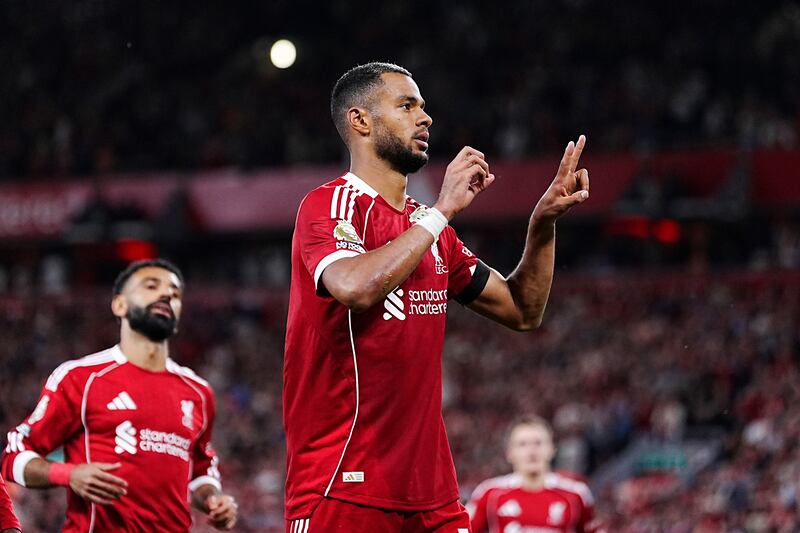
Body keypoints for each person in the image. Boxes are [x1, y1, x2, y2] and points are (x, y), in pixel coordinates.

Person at [283, 61, 590, 532]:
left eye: (424, 107)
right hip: (344, 483)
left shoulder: (431, 229)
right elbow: (354, 288)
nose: (425, 118)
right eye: (406, 106)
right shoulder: (330, 205)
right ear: (360, 121)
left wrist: (542, 227)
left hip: (433, 494)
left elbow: (522, 310)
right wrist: (442, 210)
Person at [1, 259, 237, 532]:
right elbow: (13, 456)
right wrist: (69, 474)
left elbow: (200, 470)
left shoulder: (198, 391)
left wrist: (212, 499)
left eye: (174, 293)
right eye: (151, 286)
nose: (166, 294)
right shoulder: (81, 378)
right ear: (119, 305)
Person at [467, 416, 605, 533]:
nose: (531, 451)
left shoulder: (576, 494)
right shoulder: (490, 493)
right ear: (509, 453)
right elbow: (463, 530)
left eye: (538, 443)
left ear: (552, 449)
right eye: (522, 444)